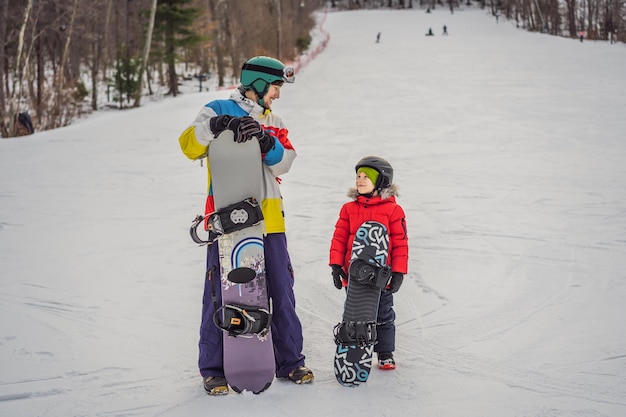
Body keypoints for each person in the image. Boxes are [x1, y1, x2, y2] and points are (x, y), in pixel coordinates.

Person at [178, 56, 313, 395]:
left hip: (269, 220)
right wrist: (220, 125)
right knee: (219, 293)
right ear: (257, 83)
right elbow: (188, 145)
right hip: (225, 220)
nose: (278, 94)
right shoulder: (216, 107)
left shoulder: (274, 120)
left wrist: (268, 143)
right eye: (276, 87)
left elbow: (285, 163)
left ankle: (290, 362)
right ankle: (213, 369)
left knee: (281, 291)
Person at [329, 156, 409, 370]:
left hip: (381, 276)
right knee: (354, 314)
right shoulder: (348, 209)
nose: (360, 180)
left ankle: (385, 352)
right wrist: (336, 265)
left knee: (383, 314)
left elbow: (401, 243)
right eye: (358, 176)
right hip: (353, 275)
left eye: (366, 177)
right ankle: (355, 349)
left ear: (381, 181)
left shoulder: (393, 210)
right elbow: (339, 238)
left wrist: (398, 272)